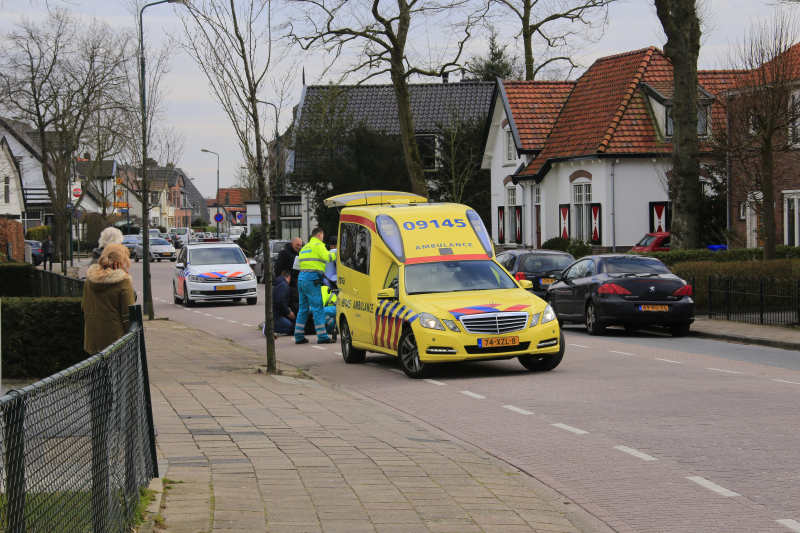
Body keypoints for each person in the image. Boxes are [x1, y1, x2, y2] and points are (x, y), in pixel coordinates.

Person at [81, 243, 136, 354]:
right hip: (116, 342)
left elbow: (83, 306)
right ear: (122, 260)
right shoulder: (123, 282)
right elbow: (128, 314)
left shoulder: (89, 280)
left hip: (92, 340)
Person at [294, 228, 336, 344]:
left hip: (301, 280)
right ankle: (322, 337)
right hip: (312, 280)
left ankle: (298, 336)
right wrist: (338, 251)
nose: (323, 238)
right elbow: (329, 257)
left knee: (303, 309)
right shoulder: (318, 245)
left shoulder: (305, 247)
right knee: (318, 308)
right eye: (322, 235)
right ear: (319, 234)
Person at [272, 270, 295, 335]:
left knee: (290, 328)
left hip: (275, 313)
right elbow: (280, 300)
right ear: (289, 277)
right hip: (277, 315)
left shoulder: (278, 284)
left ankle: (272, 327)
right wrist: (288, 312)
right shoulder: (284, 286)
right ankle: (271, 328)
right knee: (292, 329)